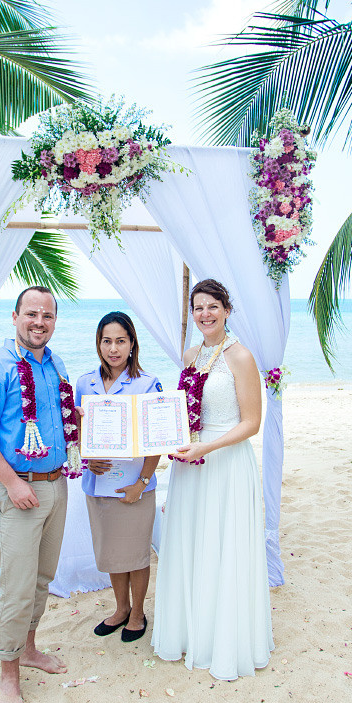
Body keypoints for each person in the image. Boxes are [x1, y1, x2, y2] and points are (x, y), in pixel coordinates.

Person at [152, 278, 274, 680]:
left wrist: (209, 446)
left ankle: (224, 639)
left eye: (212, 307)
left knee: (224, 544)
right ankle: (192, 631)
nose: (205, 314)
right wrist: (175, 439)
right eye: (198, 308)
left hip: (225, 463)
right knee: (193, 542)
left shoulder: (240, 356)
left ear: (227, 309)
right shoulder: (190, 355)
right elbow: (180, 412)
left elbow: (253, 423)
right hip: (191, 465)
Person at [0, 286, 73, 703]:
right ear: (14, 317)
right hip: (17, 490)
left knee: (43, 578)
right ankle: (8, 675)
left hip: (55, 485)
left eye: (47, 316)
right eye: (31, 314)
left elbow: (58, 419)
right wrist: (11, 483)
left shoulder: (55, 364)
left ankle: (28, 648)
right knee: (17, 585)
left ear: (54, 321)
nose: (39, 322)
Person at [76, 312, 163, 644]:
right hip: (99, 485)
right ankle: (121, 608)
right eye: (106, 341)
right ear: (98, 343)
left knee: (136, 553)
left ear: (132, 344)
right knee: (113, 550)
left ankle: (138, 612)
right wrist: (86, 456)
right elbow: (76, 430)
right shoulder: (85, 383)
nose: (113, 348)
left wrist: (141, 483)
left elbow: (158, 437)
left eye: (120, 341)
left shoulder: (147, 383)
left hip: (134, 485)